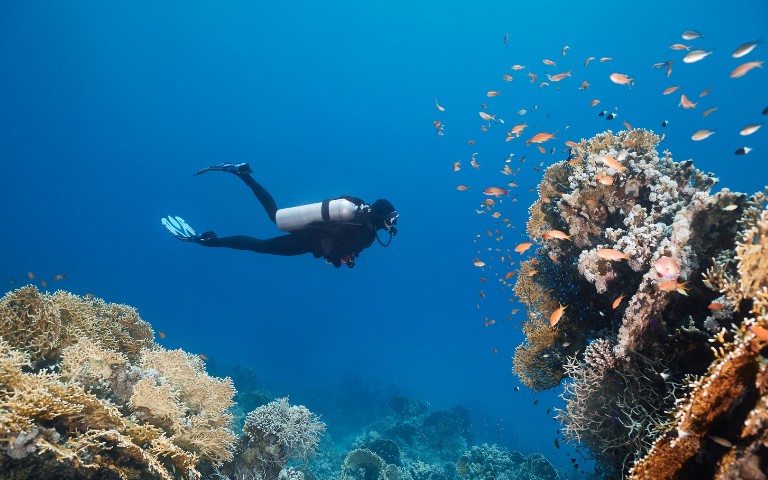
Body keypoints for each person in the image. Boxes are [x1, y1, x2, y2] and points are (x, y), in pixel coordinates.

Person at [162, 163, 398, 268]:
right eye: (392, 218)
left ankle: (242, 174)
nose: (392, 225)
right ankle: (207, 241)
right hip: (307, 241)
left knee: (274, 215)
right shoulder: (367, 234)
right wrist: (339, 260)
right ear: (383, 216)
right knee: (260, 246)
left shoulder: (356, 205)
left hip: (310, 227)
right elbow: (335, 250)